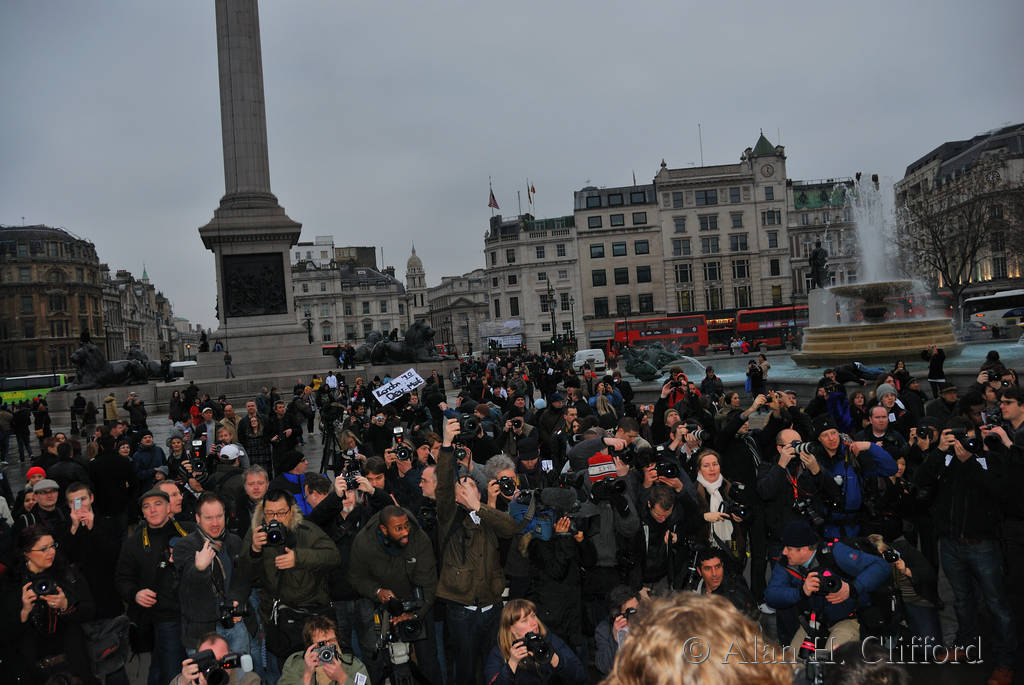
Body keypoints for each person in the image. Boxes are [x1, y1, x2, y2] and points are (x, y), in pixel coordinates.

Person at [435, 418, 520, 685]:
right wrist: (446, 444)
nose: (465, 488)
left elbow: (510, 528)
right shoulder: (449, 519)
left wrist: (479, 507)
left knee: (493, 665)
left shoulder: (488, 515)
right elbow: (443, 485)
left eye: (470, 484)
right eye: (460, 487)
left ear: (478, 492)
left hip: (492, 608)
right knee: (465, 669)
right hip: (463, 609)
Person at [238, 489, 340, 670]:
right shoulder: (257, 534)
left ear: (291, 511)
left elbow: (333, 557)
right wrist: (254, 551)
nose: (275, 518)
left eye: (281, 513)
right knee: (289, 671)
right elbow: (245, 575)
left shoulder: (306, 530)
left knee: (324, 670)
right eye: (270, 513)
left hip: (313, 615)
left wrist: (298, 558)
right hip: (280, 619)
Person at [347, 504, 442, 684]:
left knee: (428, 659)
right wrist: (377, 592)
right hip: (383, 606)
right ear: (384, 529)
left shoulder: (419, 539)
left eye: (406, 526)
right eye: (398, 528)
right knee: (382, 662)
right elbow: (355, 577)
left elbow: (430, 585)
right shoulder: (364, 542)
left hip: (418, 603)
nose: (405, 532)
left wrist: (416, 614)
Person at [765, 520, 890, 653]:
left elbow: (882, 566)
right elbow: (771, 596)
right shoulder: (787, 563)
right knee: (791, 661)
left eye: (789, 548)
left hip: (848, 620)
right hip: (813, 621)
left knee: (832, 660)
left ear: (806, 549)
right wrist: (801, 591)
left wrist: (852, 588)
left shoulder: (835, 553)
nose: (784, 552)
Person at [115, 487, 191, 685]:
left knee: (165, 669)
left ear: (168, 508)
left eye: (158, 504)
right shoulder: (134, 542)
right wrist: (135, 594)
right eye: (147, 506)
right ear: (142, 512)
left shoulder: (188, 532)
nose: (153, 510)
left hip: (194, 613)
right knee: (170, 672)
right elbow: (122, 579)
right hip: (162, 618)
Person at [174, 493, 254, 655]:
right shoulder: (184, 546)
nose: (215, 523)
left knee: (242, 671)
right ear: (198, 518)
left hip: (235, 625)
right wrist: (199, 569)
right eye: (209, 518)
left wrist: (236, 602)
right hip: (201, 633)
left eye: (219, 516)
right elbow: (186, 586)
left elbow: (243, 578)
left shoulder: (234, 541)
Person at [483, 599, 585, 685]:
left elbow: (580, 677)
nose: (534, 623)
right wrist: (512, 664)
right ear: (511, 629)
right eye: (524, 621)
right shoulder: (499, 653)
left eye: (533, 616)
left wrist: (558, 662)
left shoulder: (550, 640)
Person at [277, 615, 370, 685]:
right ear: (310, 646)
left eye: (332, 641)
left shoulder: (353, 665)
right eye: (322, 644)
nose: (328, 647)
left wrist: (342, 678)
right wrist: (307, 675)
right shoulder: (295, 665)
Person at [173, 633, 260, 685]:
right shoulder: (190, 678)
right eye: (210, 663)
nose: (217, 667)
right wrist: (182, 682)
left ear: (230, 657)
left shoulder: (248, 680)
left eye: (221, 660)